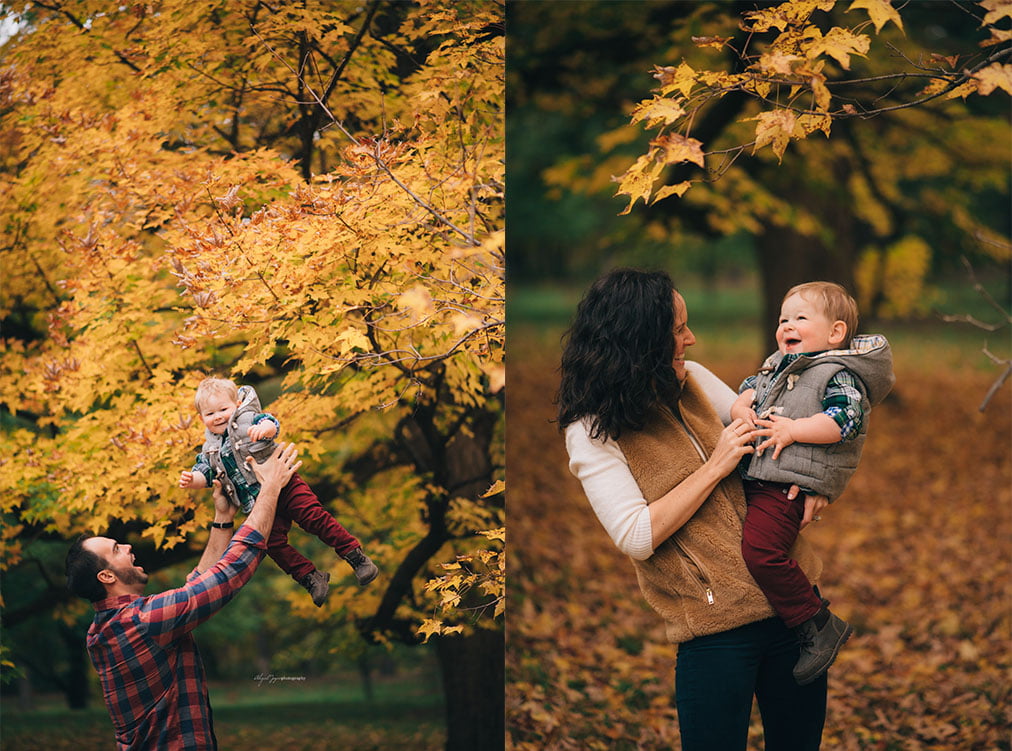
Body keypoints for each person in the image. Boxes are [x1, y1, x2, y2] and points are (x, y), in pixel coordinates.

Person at [558, 268, 830, 751]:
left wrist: (816, 487)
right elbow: (636, 536)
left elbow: (777, 434)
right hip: (715, 631)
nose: (692, 338)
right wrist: (715, 465)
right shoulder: (591, 431)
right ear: (639, 342)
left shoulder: (697, 380)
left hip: (796, 612)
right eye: (678, 329)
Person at [65, 443, 302, 751]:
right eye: (115, 550)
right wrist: (270, 486)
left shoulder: (103, 631)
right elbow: (228, 575)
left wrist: (222, 518)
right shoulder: (142, 621)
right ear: (106, 576)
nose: (127, 547)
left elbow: (195, 588)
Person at [730, 281, 894, 685]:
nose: (787, 325)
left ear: (835, 333)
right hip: (759, 475)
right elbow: (749, 390)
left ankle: (817, 624)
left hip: (787, 485)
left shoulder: (838, 374)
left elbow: (845, 421)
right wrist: (740, 406)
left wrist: (795, 429)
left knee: (762, 551)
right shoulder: (777, 365)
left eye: (800, 318)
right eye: (783, 319)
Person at [179, 378, 378, 605]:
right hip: (258, 504)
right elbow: (206, 471)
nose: (218, 417)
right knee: (270, 544)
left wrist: (265, 429)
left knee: (314, 517)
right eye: (210, 414)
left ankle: (354, 555)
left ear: (237, 403)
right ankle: (310, 577)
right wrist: (192, 479)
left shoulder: (247, 419)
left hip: (285, 485)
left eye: (223, 409)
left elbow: (270, 422)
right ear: (201, 419)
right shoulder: (210, 448)